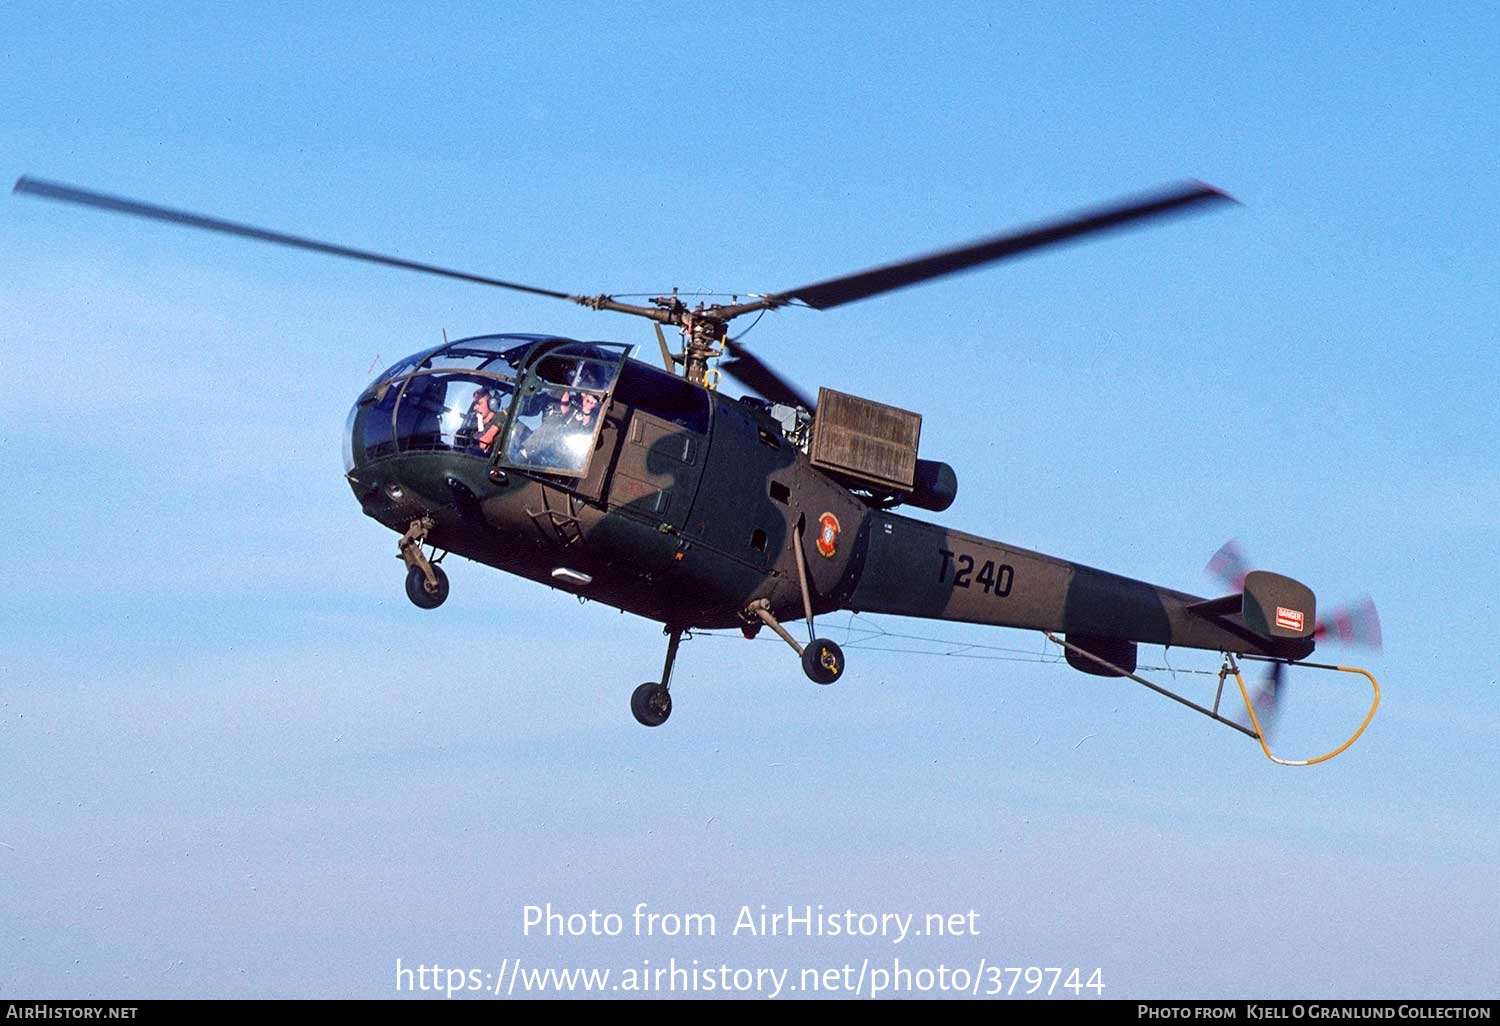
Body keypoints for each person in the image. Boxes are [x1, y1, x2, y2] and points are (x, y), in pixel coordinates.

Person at [461, 386, 508, 455]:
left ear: (492, 404)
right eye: (474, 404)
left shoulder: (507, 427)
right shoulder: (473, 430)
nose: (474, 408)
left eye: (479, 403)